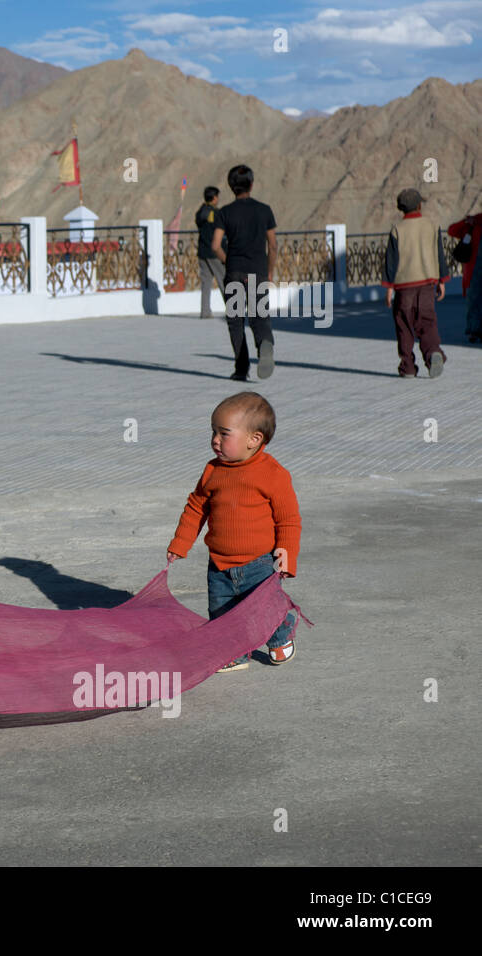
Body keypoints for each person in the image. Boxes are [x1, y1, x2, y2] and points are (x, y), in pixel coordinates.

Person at [166, 391, 301, 671]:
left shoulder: (272, 474)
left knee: (263, 611)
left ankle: (281, 633)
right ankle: (235, 653)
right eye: (213, 432)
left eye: (224, 433)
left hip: (261, 563)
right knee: (222, 612)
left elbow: (288, 520)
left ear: (254, 440)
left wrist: (287, 556)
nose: (215, 440)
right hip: (219, 563)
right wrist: (181, 542)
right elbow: (196, 508)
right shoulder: (213, 471)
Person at [211, 165, 278, 381]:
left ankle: (241, 369)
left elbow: (215, 245)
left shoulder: (225, 213)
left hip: (234, 273)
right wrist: (269, 272)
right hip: (257, 272)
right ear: (251, 184)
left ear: (231, 187)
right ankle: (265, 344)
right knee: (259, 317)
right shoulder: (264, 210)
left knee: (236, 321)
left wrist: (228, 261)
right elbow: (273, 244)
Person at [383, 188, 448, 378]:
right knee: (427, 321)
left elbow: (391, 260)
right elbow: (439, 255)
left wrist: (388, 287)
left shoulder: (397, 230)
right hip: (427, 284)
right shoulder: (432, 225)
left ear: (401, 208)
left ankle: (408, 366)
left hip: (404, 287)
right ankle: (433, 353)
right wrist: (442, 280)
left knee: (404, 324)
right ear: (419, 205)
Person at [445, 208, 482, 343]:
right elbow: (452, 230)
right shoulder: (473, 224)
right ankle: (474, 330)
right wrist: (466, 222)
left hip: (473, 272)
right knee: (474, 301)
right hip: (474, 272)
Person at [194, 186, 226, 319]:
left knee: (206, 283)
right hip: (214, 252)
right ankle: (233, 309)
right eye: (217, 196)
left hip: (202, 251)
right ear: (214, 198)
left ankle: (205, 311)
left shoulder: (200, 212)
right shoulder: (215, 213)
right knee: (224, 280)